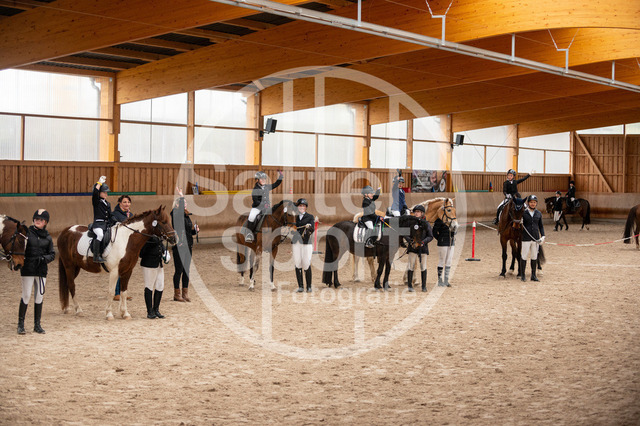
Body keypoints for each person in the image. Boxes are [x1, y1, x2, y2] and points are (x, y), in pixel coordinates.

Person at [17, 209, 55, 335]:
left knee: (39, 296)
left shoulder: (48, 237)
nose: (38, 221)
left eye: (41, 220)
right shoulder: (27, 234)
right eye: (36, 219)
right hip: (28, 268)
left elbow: (52, 254)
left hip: (41, 270)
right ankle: (20, 325)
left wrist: (44, 259)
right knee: (26, 295)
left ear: (45, 222)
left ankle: (37, 325)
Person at [171, 188, 198, 302]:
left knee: (187, 270)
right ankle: (176, 294)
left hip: (188, 245)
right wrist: (181, 195)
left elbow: (188, 232)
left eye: (186, 203)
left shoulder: (186, 216)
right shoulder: (175, 213)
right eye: (183, 203)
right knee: (179, 270)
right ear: (177, 205)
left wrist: (195, 230)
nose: (185, 205)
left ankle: (185, 293)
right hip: (179, 246)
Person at [244, 171, 283, 243]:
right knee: (251, 217)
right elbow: (255, 201)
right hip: (257, 208)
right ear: (257, 180)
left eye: (264, 179)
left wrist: (280, 177)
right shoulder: (255, 189)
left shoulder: (267, 187)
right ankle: (249, 234)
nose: (263, 180)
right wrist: (263, 205)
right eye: (261, 179)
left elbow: (276, 184)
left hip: (266, 208)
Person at [140, 235, 171, 319]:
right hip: (148, 263)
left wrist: (165, 252)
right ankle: (149, 311)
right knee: (149, 286)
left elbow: (161, 244)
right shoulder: (147, 236)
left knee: (160, 286)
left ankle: (156, 309)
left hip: (158, 263)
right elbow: (142, 252)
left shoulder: (158, 235)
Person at [405, 205, 433, 292]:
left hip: (423, 248)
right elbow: (405, 233)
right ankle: (410, 285)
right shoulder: (410, 223)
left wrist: (423, 242)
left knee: (423, 266)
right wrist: (410, 241)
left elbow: (430, 236)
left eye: (418, 212)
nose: (416, 213)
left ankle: (424, 286)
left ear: (422, 213)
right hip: (413, 247)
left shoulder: (426, 223)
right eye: (415, 212)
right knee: (411, 266)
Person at [112, 195, 133, 301]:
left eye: (128, 202)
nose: (127, 204)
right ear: (119, 203)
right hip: (118, 245)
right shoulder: (115, 215)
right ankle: (116, 293)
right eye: (124, 202)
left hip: (127, 245)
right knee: (118, 269)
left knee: (125, 270)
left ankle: (122, 291)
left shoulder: (131, 215)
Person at [292, 198, 315, 293]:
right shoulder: (294, 217)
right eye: (300, 206)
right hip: (296, 243)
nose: (302, 207)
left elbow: (312, 229)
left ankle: (309, 286)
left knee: (306, 263)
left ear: (306, 207)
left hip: (306, 243)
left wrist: (309, 227)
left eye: (303, 206)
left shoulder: (310, 217)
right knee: (298, 263)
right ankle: (300, 286)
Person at [521, 194, 545, 282]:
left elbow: (541, 226)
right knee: (524, 256)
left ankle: (533, 275)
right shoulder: (523, 213)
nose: (533, 204)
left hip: (535, 238)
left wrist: (543, 236)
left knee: (534, 256)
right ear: (528, 203)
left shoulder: (538, 213)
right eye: (531, 202)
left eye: (534, 202)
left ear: (536, 203)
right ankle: (523, 275)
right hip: (526, 238)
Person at [91, 175, 113, 263]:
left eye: (106, 192)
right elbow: (95, 192)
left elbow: (110, 215)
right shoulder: (96, 202)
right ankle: (96, 256)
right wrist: (99, 183)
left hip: (106, 224)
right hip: (98, 224)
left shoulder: (107, 204)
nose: (106, 194)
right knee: (100, 235)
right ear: (100, 192)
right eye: (104, 192)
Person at [432, 209, 456, 287]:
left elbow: (455, 231)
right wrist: (440, 238)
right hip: (442, 243)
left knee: (449, 261)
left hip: (451, 242)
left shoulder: (452, 219)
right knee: (442, 260)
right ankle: (440, 280)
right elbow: (434, 232)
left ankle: (446, 280)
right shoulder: (439, 221)